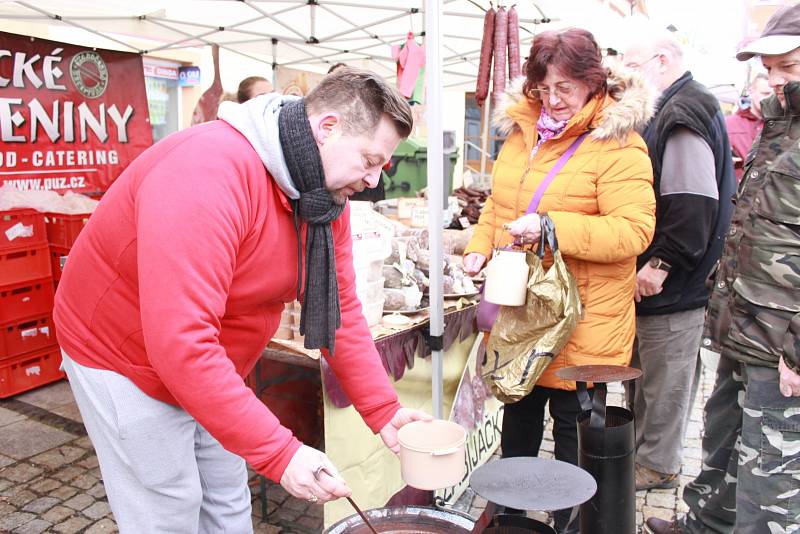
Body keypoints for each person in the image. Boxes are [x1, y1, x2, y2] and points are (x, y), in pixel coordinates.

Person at [53, 67, 431, 533]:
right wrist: (282, 452)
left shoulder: (322, 196)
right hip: (121, 352)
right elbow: (181, 342)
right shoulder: (207, 171)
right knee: (169, 500)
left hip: (213, 357)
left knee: (227, 492)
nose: (374, 180)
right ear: (327, 127)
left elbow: (340, 312)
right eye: (370, 160)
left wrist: (383, 410)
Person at [463, 28, 656, 533]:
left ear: (593, 83)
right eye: (544, 88)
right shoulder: (522, 130)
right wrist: (479, 248)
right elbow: (500, 208)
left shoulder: (619, 142)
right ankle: (510, 517)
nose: (552, 100)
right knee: (519, 417)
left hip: (583, 319)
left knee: (572, 430)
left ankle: (571, 522)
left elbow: (634, 230)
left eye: (565, 89)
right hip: (523, 312)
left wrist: (553, 228)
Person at [644, 5, 800, 533]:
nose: (775, 80)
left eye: (789, 68)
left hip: (783, 344)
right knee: (724, 446)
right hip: (744, 326)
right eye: (771, 68)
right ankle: (703, 526)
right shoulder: (780, 125)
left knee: (770, 484)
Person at [622, 33, 736, 491]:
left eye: (630, 63)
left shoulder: (682, 110)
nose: (622, 76)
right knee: (653, 377)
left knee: (665, 381)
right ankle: (646, 457)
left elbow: (692, 203)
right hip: (671, 279)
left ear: (661, 59)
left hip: (673, 282)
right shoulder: (673, 106)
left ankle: (658, 466)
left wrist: (660, 265)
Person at [726, 73, 771, 180]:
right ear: (751, 92)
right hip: (734, 193)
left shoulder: (785, 127)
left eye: (773, 94)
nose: (770, 99)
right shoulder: (728, 125)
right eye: (765, 93)